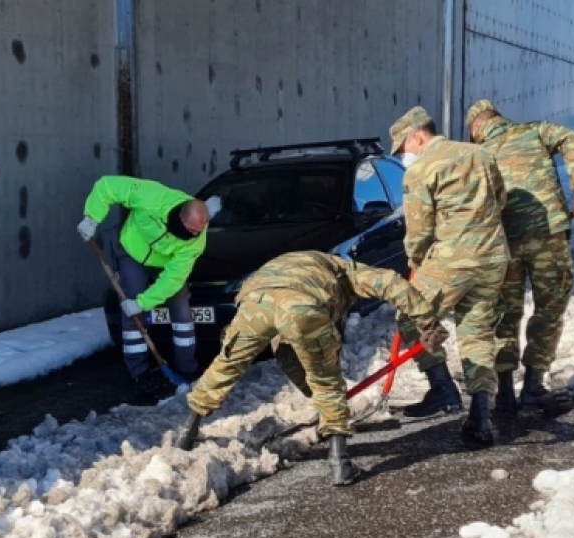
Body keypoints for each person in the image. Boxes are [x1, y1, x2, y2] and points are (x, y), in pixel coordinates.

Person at [170, 250, 449, 486]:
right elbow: (391, 282)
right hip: (302, 305)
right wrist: (428, 322)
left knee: (226, 365)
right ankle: (340, 463)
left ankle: (186, 432)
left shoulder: (298, 262)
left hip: (255, 302)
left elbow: (289, 350)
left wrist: (316, 395)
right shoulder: (347, 271)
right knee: (326, 379)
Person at [385, 106, 511, 445]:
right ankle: (480, 417)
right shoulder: (480, 154)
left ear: (417, 136)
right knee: (477, 333)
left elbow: (418, 229)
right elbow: (501, 198)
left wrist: (416, 261)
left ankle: (443, 390)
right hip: (493, 257)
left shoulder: (421, 169)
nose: (405, 155)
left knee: (411, 316)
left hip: (452, 259)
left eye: (404, 147)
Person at [464, 99, 574, 414]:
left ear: (476, 128)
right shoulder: (534, 131)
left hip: (503, 244)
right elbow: (569, 137)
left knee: (504, 314)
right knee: (548, 310)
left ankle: (505, 392)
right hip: (547, 235)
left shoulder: (478, 155)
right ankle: (533, 388)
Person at [77, 175, 221, 399]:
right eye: (190, 231)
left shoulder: (196, 241)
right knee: (131, 310)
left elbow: (172, 279)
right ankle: (140, 373)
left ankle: (187, 370)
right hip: (133, 252)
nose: (194, 236)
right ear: (180, 217)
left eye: (197, 232)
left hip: (165, 264)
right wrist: (92, 217)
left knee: (182, 312)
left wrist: (143, 303)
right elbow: (108, 186)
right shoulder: (152, 197)